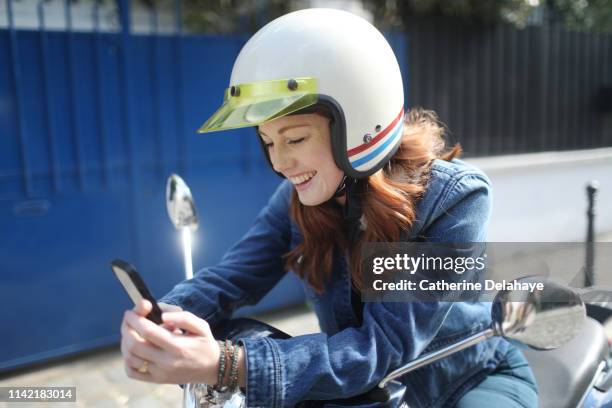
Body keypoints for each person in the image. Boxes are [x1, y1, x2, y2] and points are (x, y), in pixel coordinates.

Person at [119, 8, 538, 407]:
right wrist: (166, 317)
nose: (280, 164)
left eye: (295, 139)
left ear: (359, 126)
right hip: (362, 397)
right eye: (268, 141)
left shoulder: (454, 202)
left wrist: (229, 363)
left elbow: (383, 346)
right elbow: (234, 276)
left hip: (463, 383)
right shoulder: (298, 198)